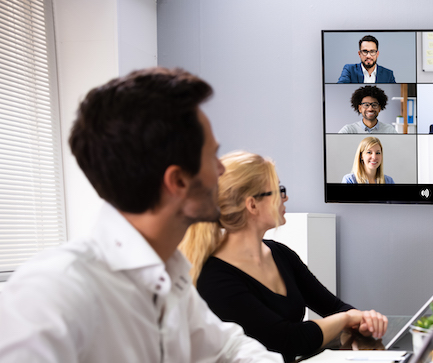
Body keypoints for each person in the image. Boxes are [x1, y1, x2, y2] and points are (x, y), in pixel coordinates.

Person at [0, 68, 282, 362]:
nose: (221, 170)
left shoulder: (168, 277)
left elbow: (229, 348)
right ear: (178, 182)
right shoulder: (53, 292)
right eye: (213, 156)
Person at [180, 151, 388, 362]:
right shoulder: (213, 278)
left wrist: (362, 322)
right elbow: (289, 339)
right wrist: (346, 319)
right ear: (252, 205)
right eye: (279, 191)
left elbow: (333, 307)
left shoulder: (281, 254)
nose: (285, 197)